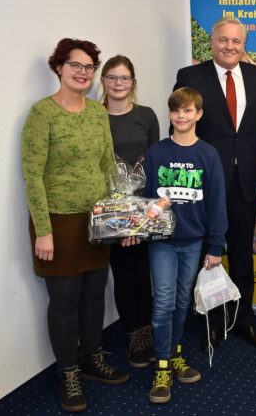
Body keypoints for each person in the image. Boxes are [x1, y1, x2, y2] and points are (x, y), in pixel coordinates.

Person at [21, 38, 129, 413]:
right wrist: (44, 229)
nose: (83, 72)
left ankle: (92, 358)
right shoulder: (42, 114)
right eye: (75, 65)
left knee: (94, 295)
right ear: (59, 68)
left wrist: (117, 215)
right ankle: (68, 372)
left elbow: (106, 165)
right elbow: (32, 175)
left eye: (88, 67)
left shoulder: (98, 113)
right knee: (64, 302)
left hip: (96, 221)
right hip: (58, 223)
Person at [174, 16, 256, 352]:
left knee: (243, 256)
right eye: (223, 40)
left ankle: (244, 320)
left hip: (246, 183)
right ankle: (211, 323)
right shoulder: (190, 77)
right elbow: (184, 127)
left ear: (244, 44)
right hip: (204, 185)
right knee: (208, 257)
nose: (230, 46)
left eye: (236, 41)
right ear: (212, 42)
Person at [143, 87, 227, 404]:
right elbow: (146, 198)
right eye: (176, 110)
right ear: (170, 114)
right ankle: (162, 367)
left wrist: (216, 246)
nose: (181, 115)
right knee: (163, 302)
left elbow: (217, 204)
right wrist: (137, 224)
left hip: (194, 242)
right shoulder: (157, 153)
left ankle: (175, 352)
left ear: (198, 115)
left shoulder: (207, 154)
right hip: (162, 242)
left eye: (188, 110)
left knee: (181, 302)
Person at [100, 55, 160, 368]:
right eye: (112, 77)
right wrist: (120, 224)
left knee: (142, 273)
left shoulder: (147, 116)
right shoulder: (93, 117)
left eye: (124, 78)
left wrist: (141, 219)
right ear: (103, 81)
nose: (118, 83)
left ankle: (146, 329)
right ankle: (132, 334)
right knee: (123, 274)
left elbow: (154, 165)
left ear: (133, 82)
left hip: (143, 209)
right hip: (110, 211)